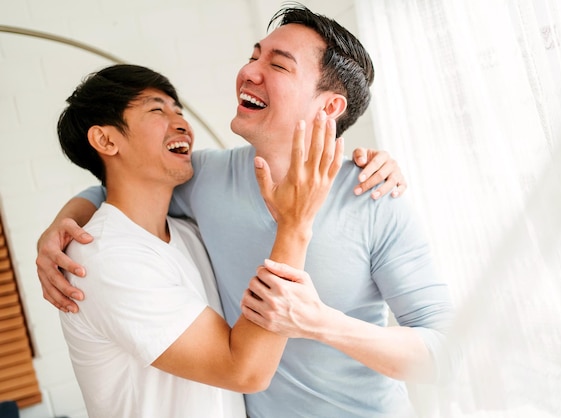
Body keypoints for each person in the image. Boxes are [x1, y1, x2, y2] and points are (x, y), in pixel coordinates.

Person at [37, 4, 458, 417]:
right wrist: (62, 226)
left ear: (329, 107)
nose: (249, 71)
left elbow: (445, 352)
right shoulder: (205, 179)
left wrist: (321, 322)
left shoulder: (374, 196)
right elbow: (121, 185)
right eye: (254, 55)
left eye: (278, 65)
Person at [55, 63, 344, 417]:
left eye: (179, 110)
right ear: (106, 140)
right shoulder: (104, 259)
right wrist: (295, 226)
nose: (182, 124)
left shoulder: (187, 233)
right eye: (157, 109)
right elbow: (244, 370)